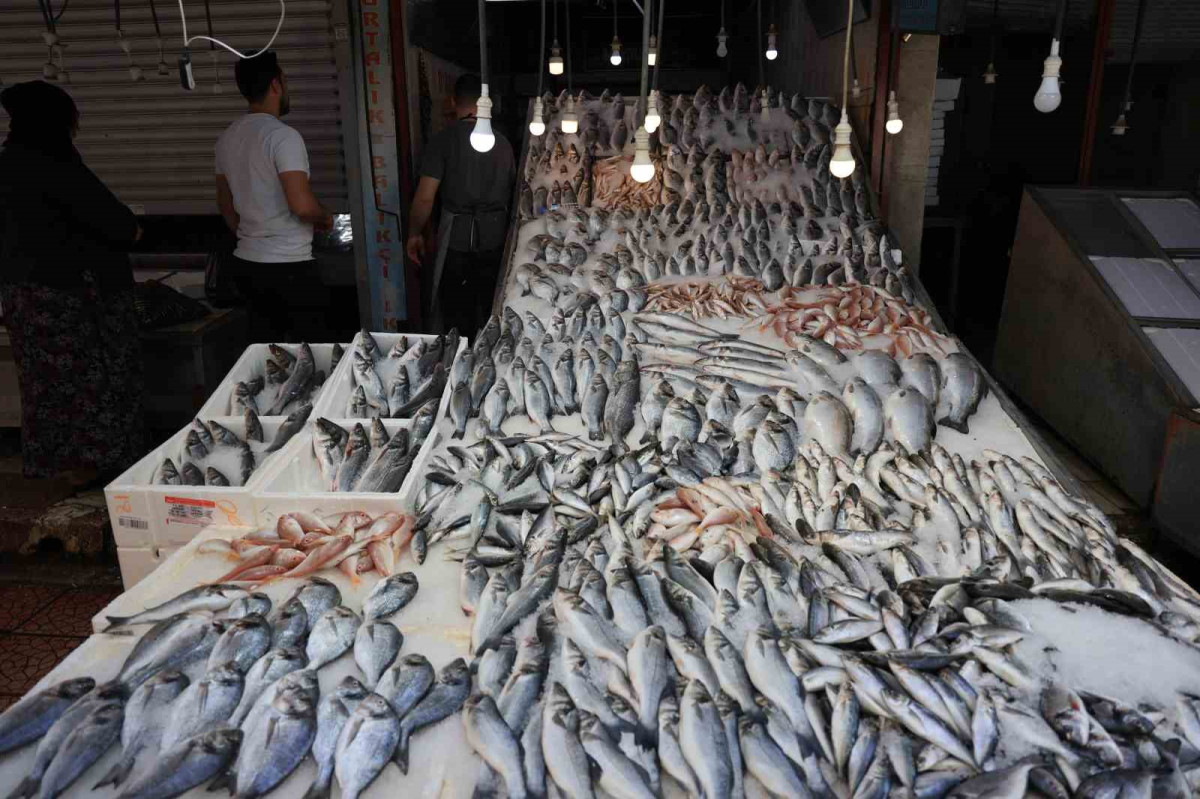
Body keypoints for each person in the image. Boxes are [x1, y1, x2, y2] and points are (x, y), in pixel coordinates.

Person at [0, 81, 146, 482]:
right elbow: (118, 225)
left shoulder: (8, 163)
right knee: (93, 385)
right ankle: (96, 470)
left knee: (44, 388)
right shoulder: (55, 165)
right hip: (73, 301)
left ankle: (54, 466)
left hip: (22, 298)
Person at [215, 51, 332, 342]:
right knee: (308, 356)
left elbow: (226, 207)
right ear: (276, 85)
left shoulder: (227, 138)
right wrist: (325, 218)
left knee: (268, 355)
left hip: (247, 266)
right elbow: (302, 206)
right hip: (289, 269)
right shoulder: (283, 137)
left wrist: (254, 236)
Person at [406, 73, 515, 337]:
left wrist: (413, 233)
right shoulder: (503, 143)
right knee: (491, 311)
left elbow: (424, 197)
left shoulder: (443, 141)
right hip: (496, 241)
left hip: (455, 245)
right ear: (486, 104)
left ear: (454, 101)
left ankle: (460, 364)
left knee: (457, 317)